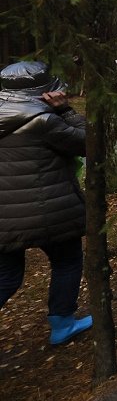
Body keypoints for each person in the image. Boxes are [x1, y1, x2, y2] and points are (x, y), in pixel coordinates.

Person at [0, 61, 92, 345]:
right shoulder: (44, 121)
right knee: (67, 261)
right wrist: (65, 110)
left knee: (7, 276)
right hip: (51, 209)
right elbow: (87, 143)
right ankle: (62, 324)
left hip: (4, 217)